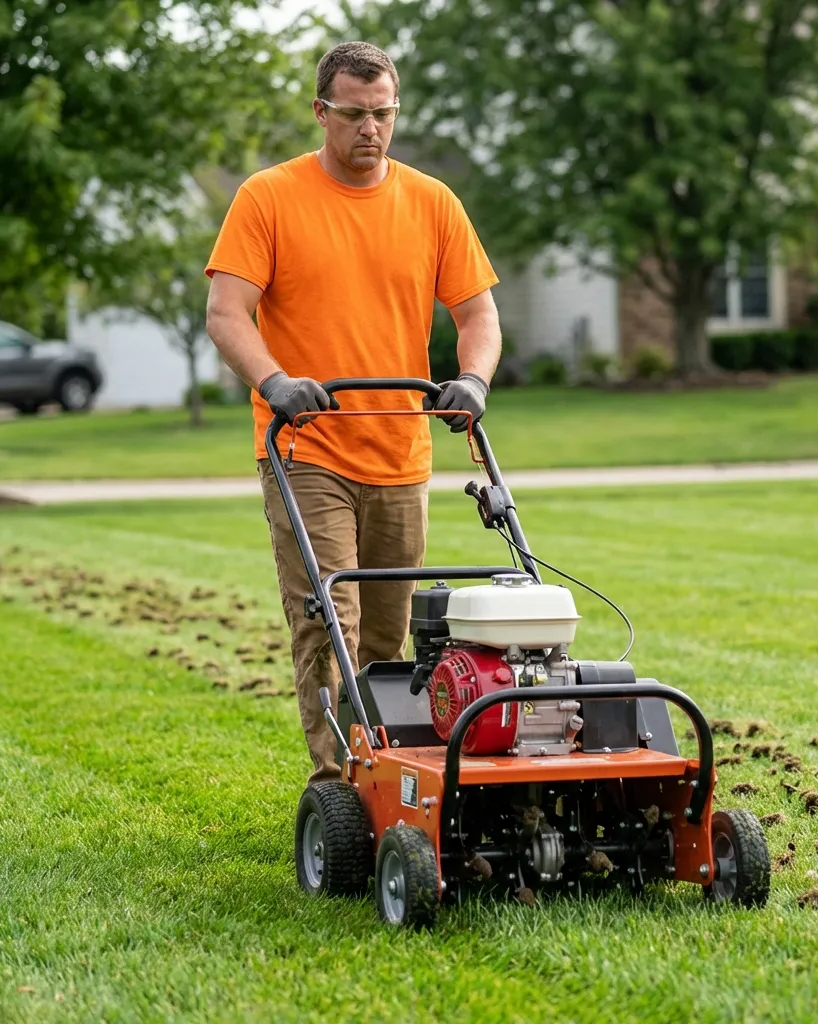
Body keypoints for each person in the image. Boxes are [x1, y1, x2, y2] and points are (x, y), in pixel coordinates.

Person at [204, 41, 502, 783]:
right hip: (307, 447)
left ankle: (387, 774)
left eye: (384, 114)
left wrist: (472, 380)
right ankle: (333, 788)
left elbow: (479, 315)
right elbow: (226, 312)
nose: (371, 128)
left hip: (400, 449)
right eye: (354, 114)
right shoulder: (269, 197)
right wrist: (275, 382)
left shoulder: (432, 202)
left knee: (391, 636)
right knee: (325, 621)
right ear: (321, 112)